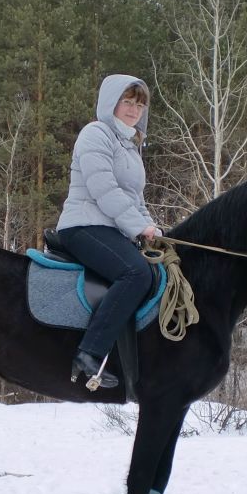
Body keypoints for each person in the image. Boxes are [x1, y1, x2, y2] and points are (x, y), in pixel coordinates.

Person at [56, 74, 161, 389]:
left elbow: (134, 198)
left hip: (112, 228)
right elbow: (104, 189)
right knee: (136, 273)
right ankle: (89, 353)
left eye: (139, 104)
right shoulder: (96, 133)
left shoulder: (130, 146)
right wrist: (137, 225)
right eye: (127, 102)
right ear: (111, 103)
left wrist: (152, 228)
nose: (133, 110)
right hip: (83, 225)